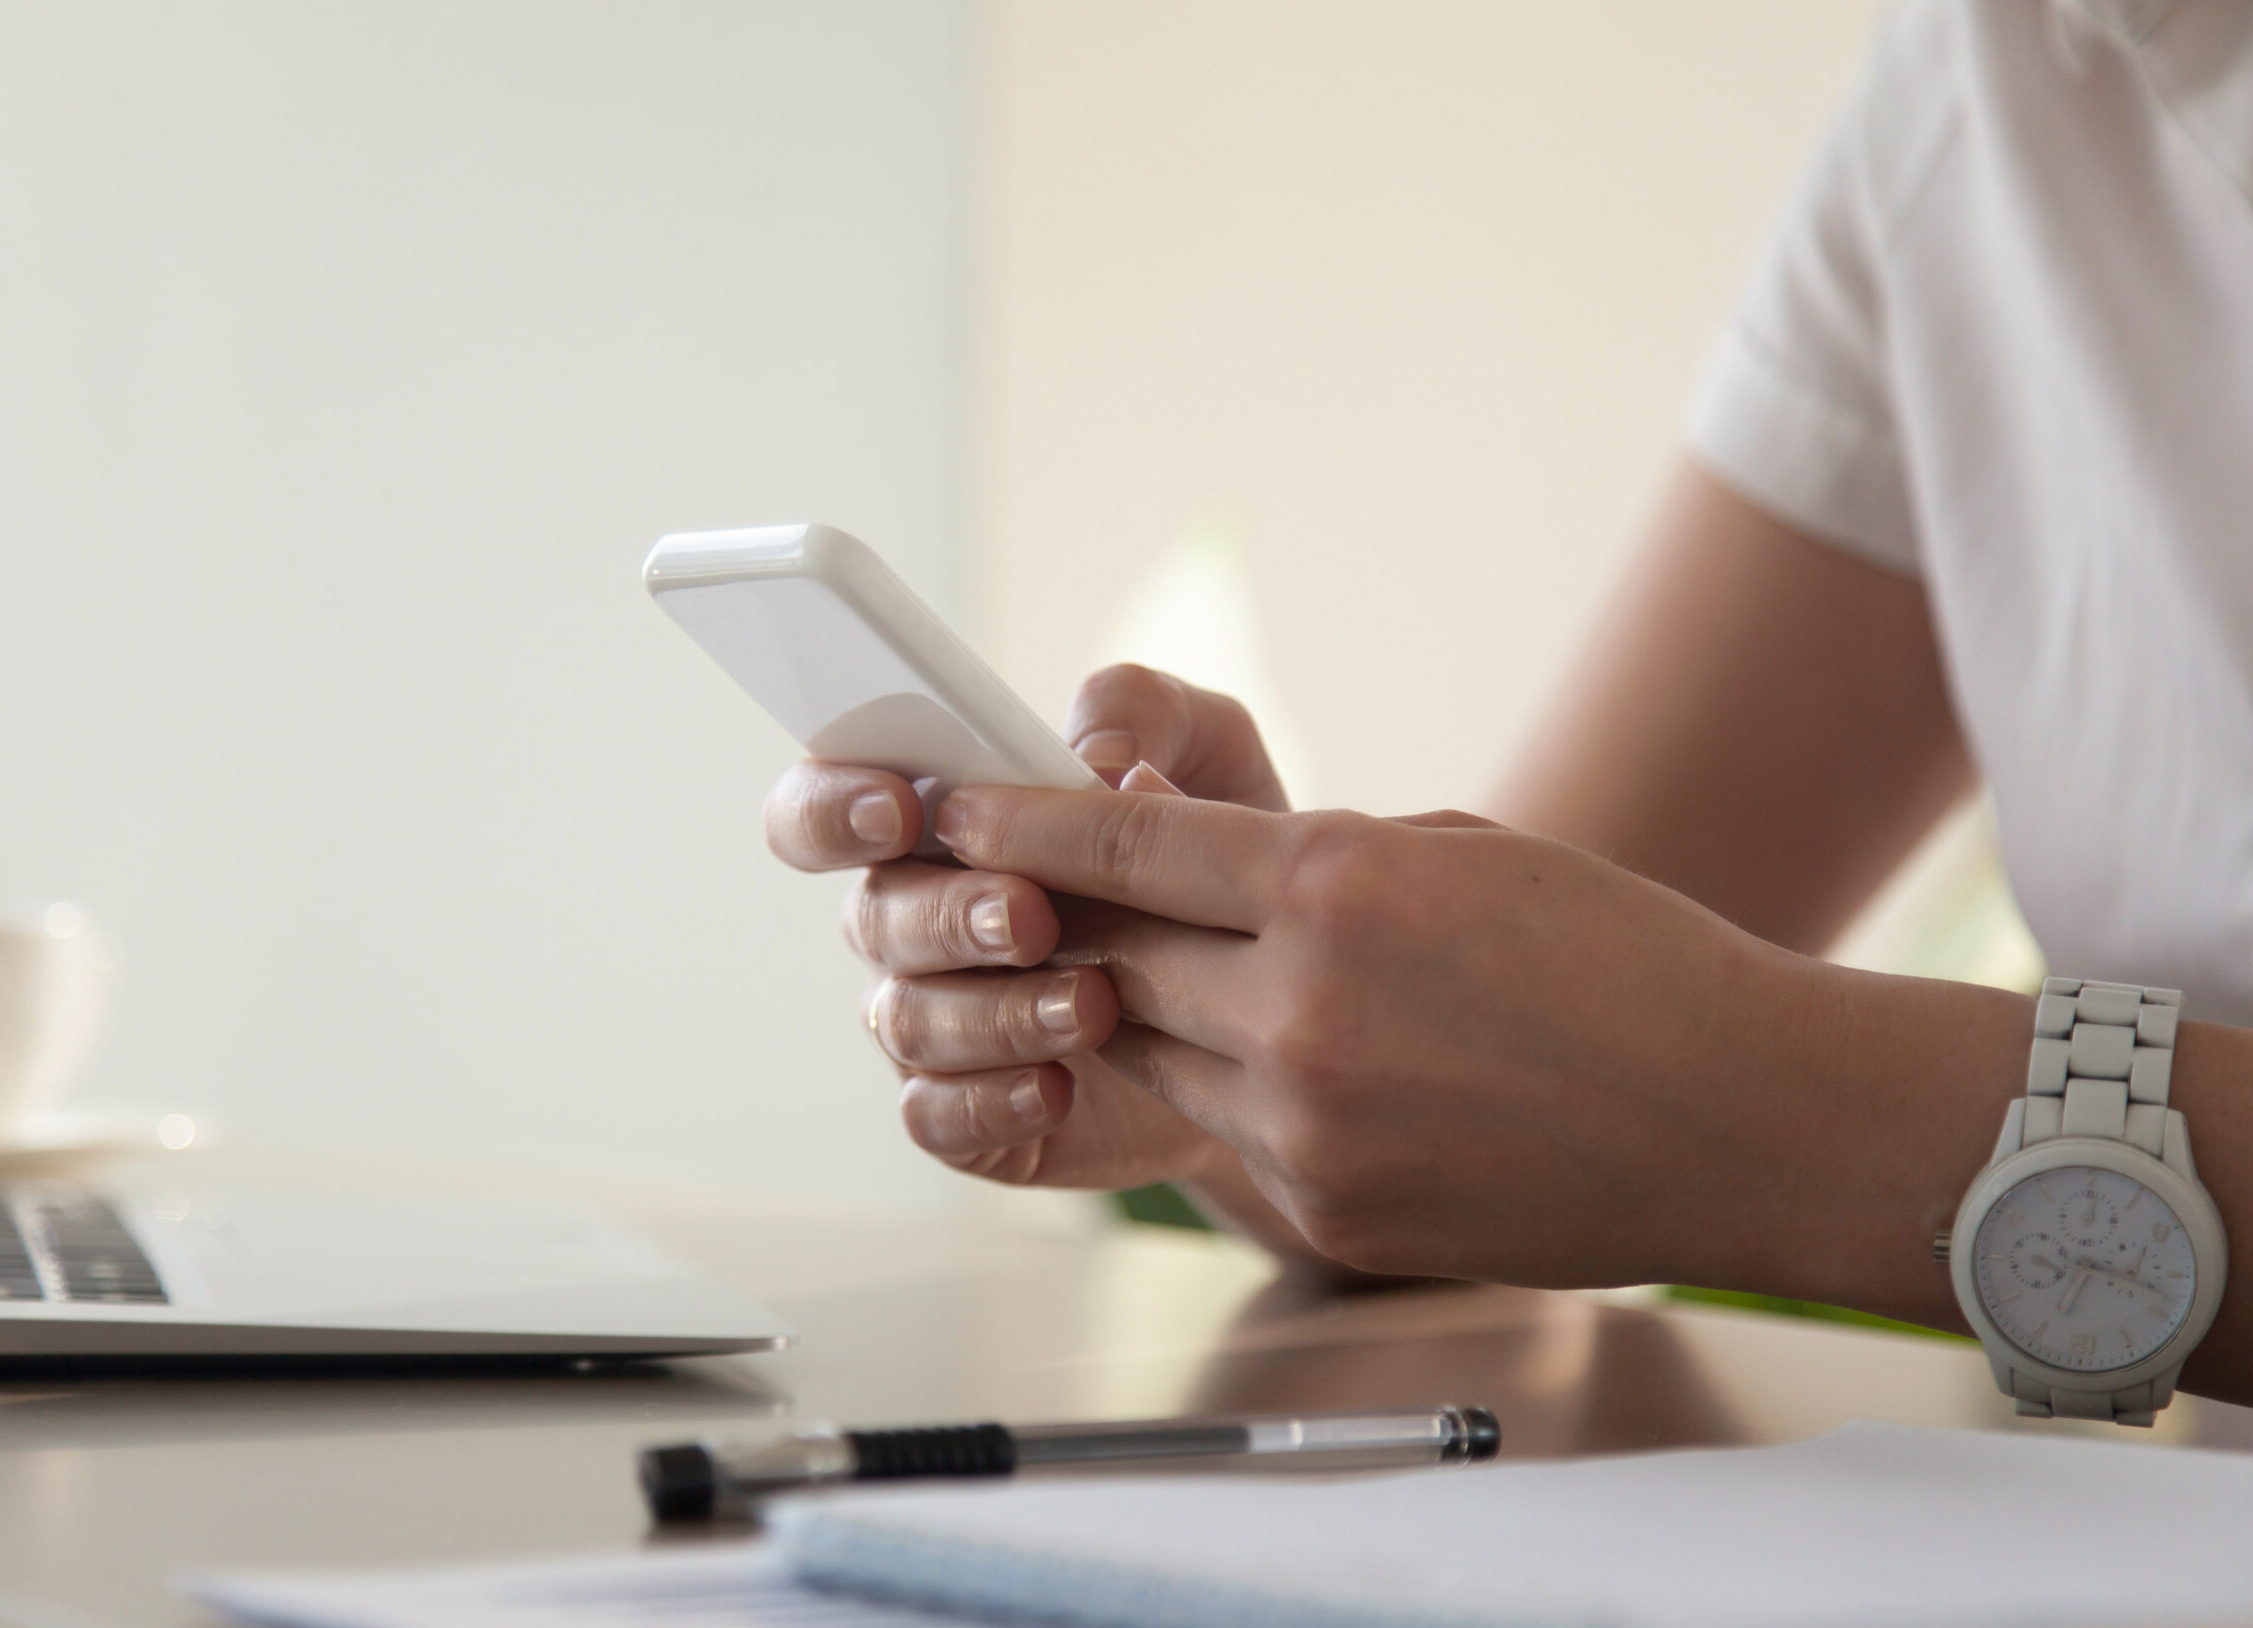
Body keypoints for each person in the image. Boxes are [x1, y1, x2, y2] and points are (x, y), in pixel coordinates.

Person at [764, 0, 2253, 1411]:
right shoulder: (1991, 91)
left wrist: (1766, 1115)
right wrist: (1236, 1056)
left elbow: (1668, 1085)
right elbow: (1533, 1098)